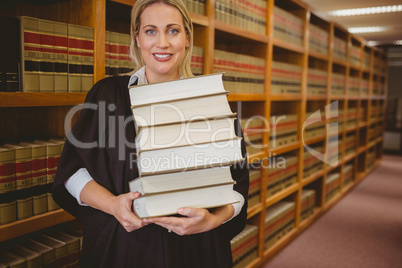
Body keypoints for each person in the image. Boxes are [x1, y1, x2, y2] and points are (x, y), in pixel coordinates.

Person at [52, 0, 249, 267]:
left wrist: (214, 218)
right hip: (122, 247)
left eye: (173, 30)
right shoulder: (107, 94)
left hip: (195, 250)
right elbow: (73, 171)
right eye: (150, 31)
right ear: (137, 38)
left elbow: (236, 183)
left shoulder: (210, 100)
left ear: (187, 38)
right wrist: (113, 205)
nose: (162, 43)